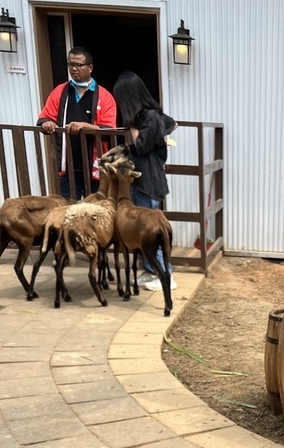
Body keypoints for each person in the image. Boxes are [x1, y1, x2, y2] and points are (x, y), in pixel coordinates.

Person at [112, 71, 178, 291]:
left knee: (150, 231)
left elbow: (141, 146)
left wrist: (132, 125)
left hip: (149, 181)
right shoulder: (150, 116)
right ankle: (153, 272)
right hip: (146, 180)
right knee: (146, 229)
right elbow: (172, 124)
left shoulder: (148, 116)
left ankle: (163, 275)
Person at [37, 47, 117, 200]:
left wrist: (85, 126)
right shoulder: (60, 92)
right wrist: (47, 122)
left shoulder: (105, 96)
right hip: (68, 163)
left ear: (90, 67)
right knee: (67, 208)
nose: (74, 69)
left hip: (95, 164)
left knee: (94, 210)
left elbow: (109, 130)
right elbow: (45, 116)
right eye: (70, 64)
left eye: (79, 65)